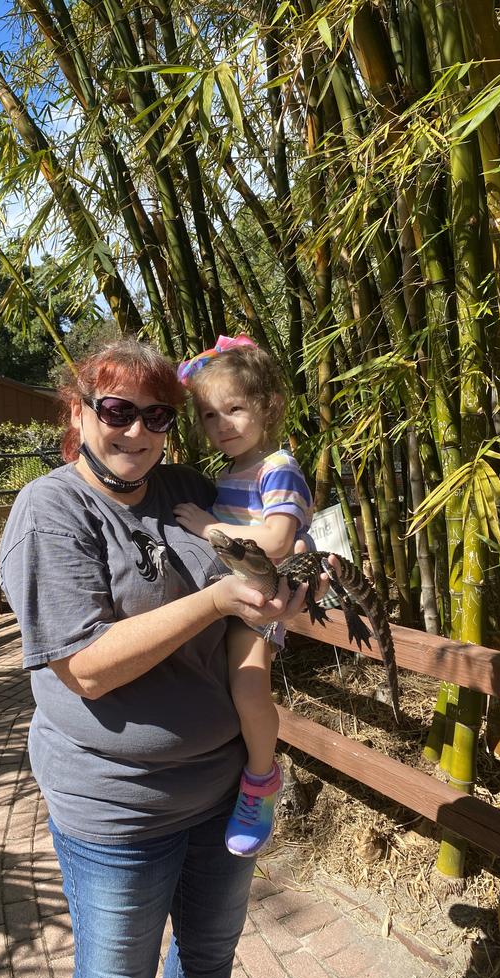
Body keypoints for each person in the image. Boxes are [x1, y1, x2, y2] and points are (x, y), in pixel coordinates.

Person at [0, 339, 332, 978]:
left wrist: (306, 578)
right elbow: (86, 667)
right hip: (121, 808)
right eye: (118, 409)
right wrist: (215, 601)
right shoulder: (52, 510)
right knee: (118, 977)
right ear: (77, 413)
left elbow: (269, 540)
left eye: (157, 417)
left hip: (221, 789)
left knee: (207, 964)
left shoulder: (185, 487)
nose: (136, 430)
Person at [174, 336, 315, 858]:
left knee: (250, 688)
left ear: (267, 406)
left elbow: (279, 540)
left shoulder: (276, 467)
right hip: (229, 591)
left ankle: (261, 782)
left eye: (234, 409)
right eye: (210, 415)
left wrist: (211, 528)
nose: (222, 425)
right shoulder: (228, 474)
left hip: (258, 597)